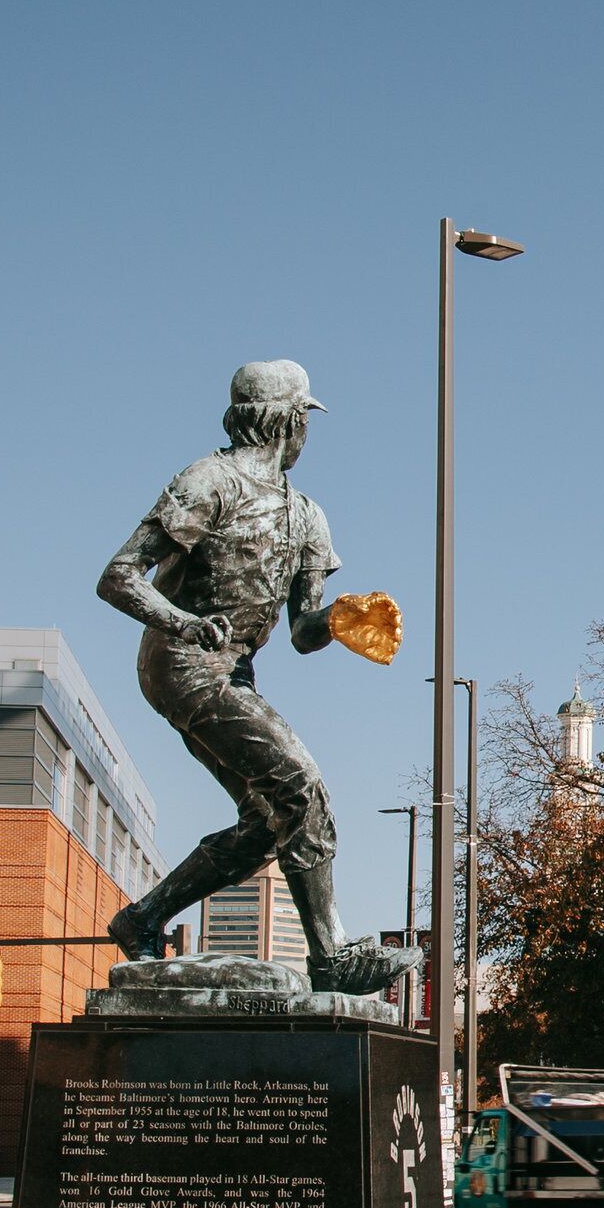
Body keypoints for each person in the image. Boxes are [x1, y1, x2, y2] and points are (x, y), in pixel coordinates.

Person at [93, 359, 411, 993]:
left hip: (234, 671)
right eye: (304, 421)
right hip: (181, 663)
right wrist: (184, 623)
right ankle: (330, 958)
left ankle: (144, 917)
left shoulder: (307, 517)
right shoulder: (208, 482)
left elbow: (300, 633)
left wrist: (340, 619)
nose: (305, 434)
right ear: (290, 420)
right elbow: (118, 577)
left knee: (267, 820)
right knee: (302, 785)